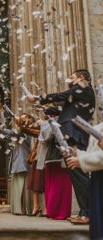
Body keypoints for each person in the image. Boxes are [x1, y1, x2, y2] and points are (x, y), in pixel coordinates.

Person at [27, 69, 95, 224]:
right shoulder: (77, 95)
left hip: (74, 135)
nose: (69, 80)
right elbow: (60, 109)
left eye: (71, 77)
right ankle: (85, 212)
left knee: (79, 174)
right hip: (70, 135)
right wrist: (42, 108)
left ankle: (89, 213)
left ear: (81, 77)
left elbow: (60, 96)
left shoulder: (83, 87)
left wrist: (38, 98)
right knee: (76, 174)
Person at [66, 84, 103, 239]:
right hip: (97, 178)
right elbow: (95, 152)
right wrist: (78, 153)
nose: (101, 112)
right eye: (100, 108)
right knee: (97, 218)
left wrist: (81, 161)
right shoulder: (99, 127)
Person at [0, 115, 31, 215]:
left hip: (21, 162)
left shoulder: (24, 131)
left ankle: (20, 209)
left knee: (20, 187)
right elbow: (5, 136)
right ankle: (23, 209)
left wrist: (3, 126)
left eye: (22, 118)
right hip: (21, 162)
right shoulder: (23, 131)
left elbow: (8, 133)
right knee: (22, 187)